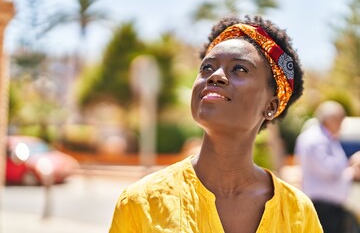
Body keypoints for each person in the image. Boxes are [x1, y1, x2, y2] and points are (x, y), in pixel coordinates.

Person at [109, 15, 323, 233]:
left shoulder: (298, 212)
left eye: (239, 68)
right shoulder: (141, 202)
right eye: (207, 68)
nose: (216, 76)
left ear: (271, 105)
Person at [295, 101, 359, 233]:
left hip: (329, 205)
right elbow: (329, 169)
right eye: (340, 120)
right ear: (331, 119)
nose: (341, 125)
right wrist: (351, 166)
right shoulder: (315, 138)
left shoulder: (325, 138)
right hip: (323, 205)